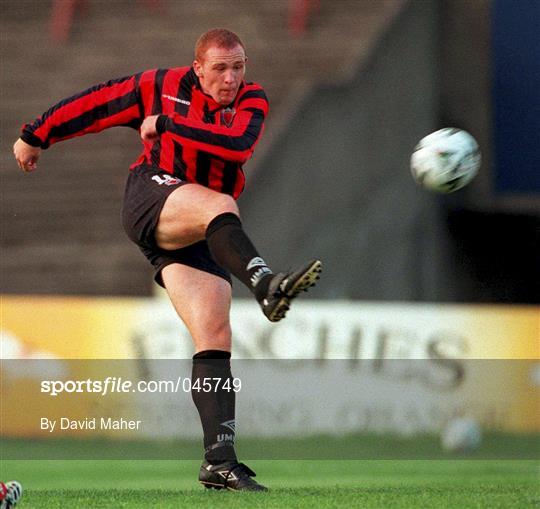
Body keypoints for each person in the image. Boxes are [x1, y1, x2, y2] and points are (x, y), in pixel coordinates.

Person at [13, 28, 321, 492]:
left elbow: (235, 146)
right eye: (220, 68)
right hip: (152, 197)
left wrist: (169, 125)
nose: (231, 77)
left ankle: (219, 461)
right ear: (197, 68)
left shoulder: (253, 100)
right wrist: (36, 134)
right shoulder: (160, 85)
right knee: (222, 206)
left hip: (197, 230)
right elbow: (98, 102)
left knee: (214, 336)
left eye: (238, 66)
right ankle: (265, 282)